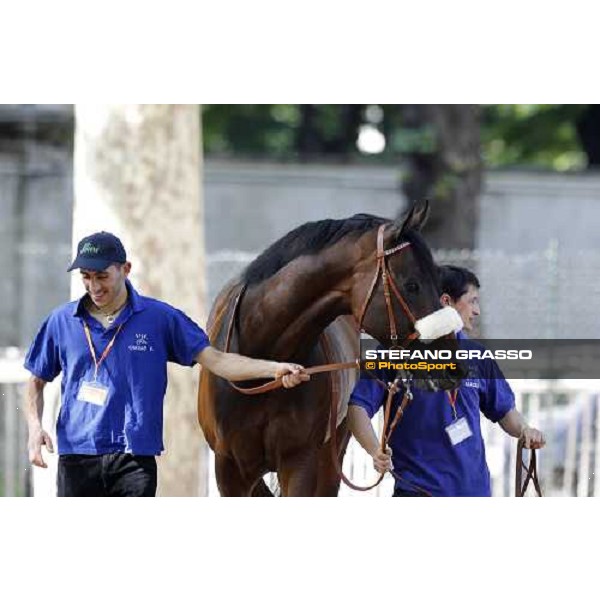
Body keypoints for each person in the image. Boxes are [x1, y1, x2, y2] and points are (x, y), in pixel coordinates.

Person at [23, 231, 309, 497]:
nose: (94, 286)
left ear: (125, 269)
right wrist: (35, 429)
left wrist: (274, 369)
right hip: (77, 457)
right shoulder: (61, 321)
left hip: (134, 459)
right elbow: (35, 382)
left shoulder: (160, 318)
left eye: (102, 276)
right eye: (86, 277)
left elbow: (217, 360)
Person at [348, 265, 545, 497]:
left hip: (475, 493)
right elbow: (357, 407)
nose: (477, 311)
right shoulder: (392, 353)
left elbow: (505, 412)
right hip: (417, 494)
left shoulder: (478, 356)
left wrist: (525, 430)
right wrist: (374, 450)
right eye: (472, 301)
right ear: (446, 302)